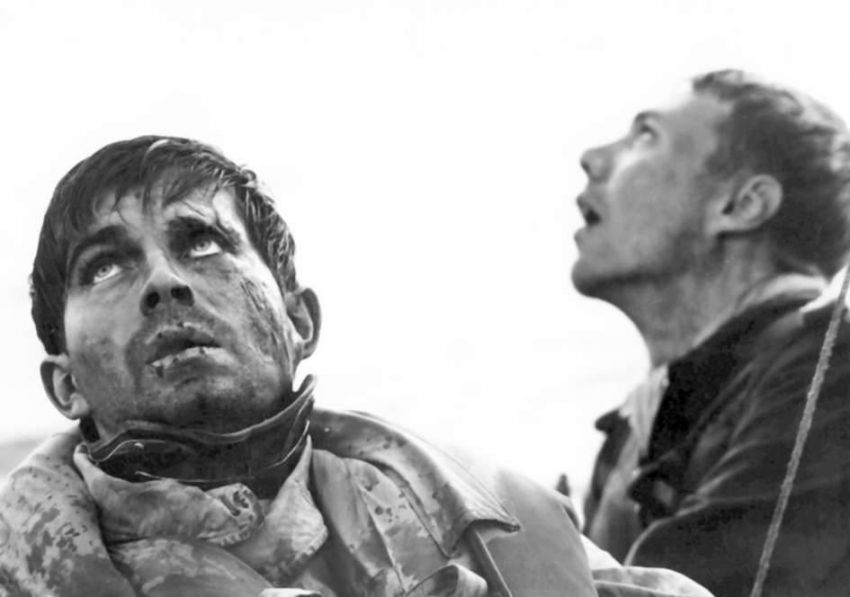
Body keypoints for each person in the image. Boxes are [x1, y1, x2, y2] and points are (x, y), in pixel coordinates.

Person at [0, 136, 710, 597]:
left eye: (203, 243)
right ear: (64, 384)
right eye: (105, 266)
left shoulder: (505, 532)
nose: (163, 281)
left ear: (300, 321)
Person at [576, 69, 850, 597]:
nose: (592, 158)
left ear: (741, 206)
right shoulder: (633, 427)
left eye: (646, 136)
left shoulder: (834, 370)